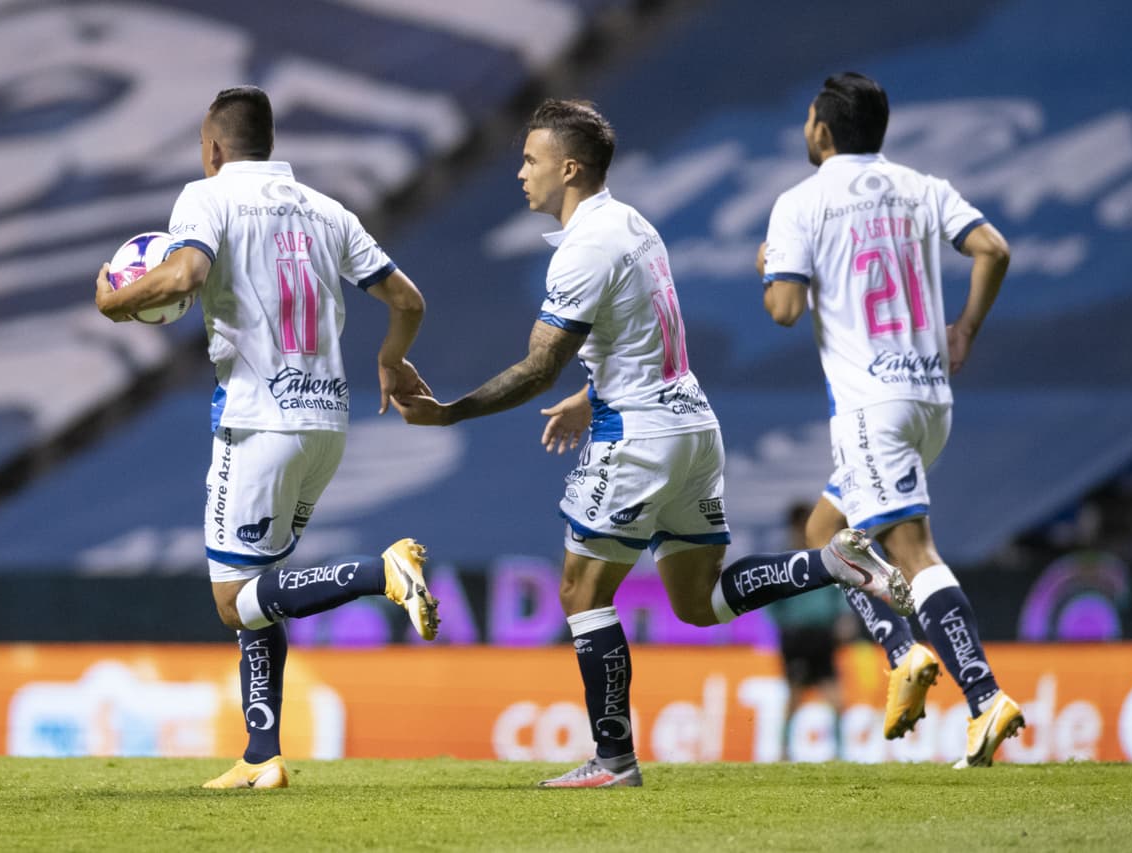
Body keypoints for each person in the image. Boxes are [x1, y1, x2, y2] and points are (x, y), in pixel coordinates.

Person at [393, 98, 911, 788]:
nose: (520, 173)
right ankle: (832, 564)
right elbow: (647, 337)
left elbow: (537, 366)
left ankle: (613, 761)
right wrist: (589, 394)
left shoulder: (581, 251)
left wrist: (449, 412)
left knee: (580, 592)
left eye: (530, 160)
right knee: (697, 602)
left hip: (637, 438)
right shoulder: (632, 223)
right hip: (692, 426)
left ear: (569, 167)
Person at [94, 86, 440, 789]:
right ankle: (263, 754)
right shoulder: (325, 208)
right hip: (326, 426)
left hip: (257, 422)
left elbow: (185, 272)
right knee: (265, 590)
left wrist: (116, 300)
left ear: (213, 146)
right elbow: (408, 299)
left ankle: (384, 573)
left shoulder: (207, 196)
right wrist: (392, 359)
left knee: (233, 600)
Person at [757, 72, 1021, 768]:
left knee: (912, 549)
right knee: (824, 532)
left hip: (873, 406)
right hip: (931, 398)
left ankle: (986, 697)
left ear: (821, 130)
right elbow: (993, 248)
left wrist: (771, 267)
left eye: (810, 117)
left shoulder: (800, 202)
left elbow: (783, 309)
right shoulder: (922, 186)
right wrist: (965, 326)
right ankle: (903, 654)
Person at [770, 502, 857, 760]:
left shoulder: (823, 556)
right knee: (795, 697)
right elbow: (770, 600)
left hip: (823, 636)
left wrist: (844, 618)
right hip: (797, 637)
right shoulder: (782, 560)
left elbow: (838, 589)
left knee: (836, 699)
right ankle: (783, 752)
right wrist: (785, 625)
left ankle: (840, 754)